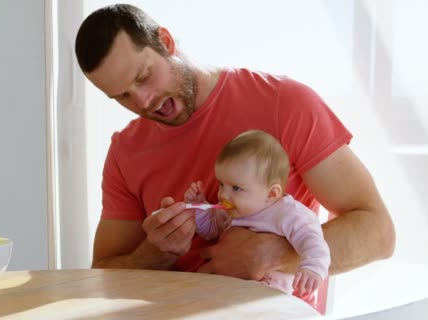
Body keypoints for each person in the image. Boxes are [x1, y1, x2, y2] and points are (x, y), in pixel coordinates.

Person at [74, 3, 395, 313]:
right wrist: (156, 253)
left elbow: (378, 232)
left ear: (166, 42)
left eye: (143, 76)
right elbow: (104, 275)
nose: (143, 101)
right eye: (123, 96)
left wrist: (271, 254)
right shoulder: (125, 152)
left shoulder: (286, 104)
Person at [184, 129, 330, 302]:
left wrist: (313, 268)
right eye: (221, 184)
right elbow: (210, 231)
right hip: (228, 290)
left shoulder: (289, 213)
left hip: (270, 295)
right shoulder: (231, 209)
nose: (223, 195)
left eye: (236, 188)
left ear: (271, 194)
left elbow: (313, 241)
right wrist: (199, 207)